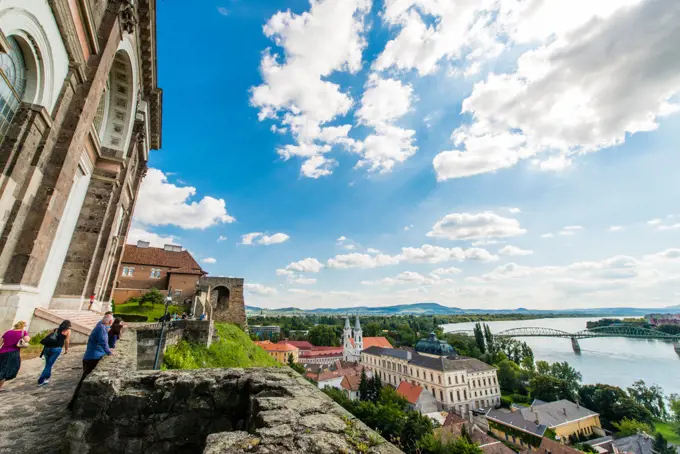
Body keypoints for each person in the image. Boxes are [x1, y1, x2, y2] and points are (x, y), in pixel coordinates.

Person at [67, 314, 115, 410]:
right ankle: (73, 404)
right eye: (111, 323)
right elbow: (103, 341)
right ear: (110, 322)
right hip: (93, 357)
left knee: (84, 379)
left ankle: (74, 403)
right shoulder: (102, 328)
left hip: (91, 356)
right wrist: (109, 352)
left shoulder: (100, 326)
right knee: (84, 380)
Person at [38, 320, 71, 386]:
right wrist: (66, 350)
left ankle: (47, 378)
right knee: (49, 364)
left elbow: (47, 337)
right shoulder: (67, 331)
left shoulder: (55, 329)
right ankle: (41, 380)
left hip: (47, 348)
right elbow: (67, 341)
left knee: (48, 364)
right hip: (56, 349)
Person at [0, 321, 30, 391]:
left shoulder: (8, 332)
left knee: (1, 368)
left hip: (2, 353)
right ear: (23, 326)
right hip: (13, 354)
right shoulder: (23, 332)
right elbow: (27, 340)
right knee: (7, 370)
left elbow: (0, 342)